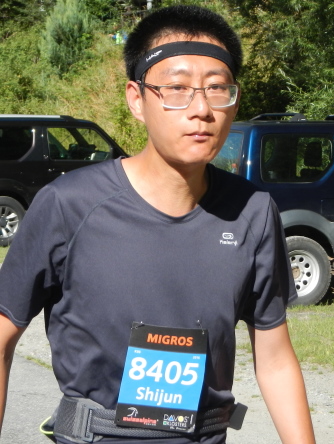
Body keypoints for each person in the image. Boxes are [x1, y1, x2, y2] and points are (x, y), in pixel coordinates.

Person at [0, 5, 315, 444]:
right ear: (137, 99)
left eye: (217, 89)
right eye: (177, 89)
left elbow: (275, 358)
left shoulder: (253, 211)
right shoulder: (68, 204)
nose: (201, 109)